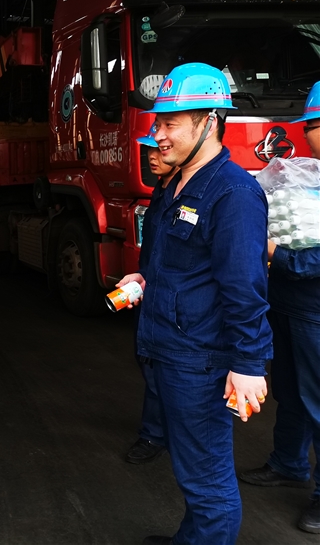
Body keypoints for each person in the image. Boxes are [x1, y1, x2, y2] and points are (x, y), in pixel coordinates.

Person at [115, 63, 273, 545]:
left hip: (200, 361)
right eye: (157, 122)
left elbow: (245, 287)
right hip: (168, 349)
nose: (158, 135)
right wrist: (144, 277)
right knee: (191, 470)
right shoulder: (175, 184)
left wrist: (248, 364)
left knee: (208, 481)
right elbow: (178, 262)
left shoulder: (233, 193)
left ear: (209, 121)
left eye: (170, 123)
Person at [238, 81, 320, 534]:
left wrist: (277, 254)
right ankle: (288, 462)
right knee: (289, 391)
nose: (308, 135)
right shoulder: (307, 177)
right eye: (308, 126)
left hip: (315, 307)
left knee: (318, 399)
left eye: (313, 125)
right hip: (287, 301)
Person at [124, 125, 177, 465]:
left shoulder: (186, 194)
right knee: (148, 361)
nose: (151, 157)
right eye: (148, 150)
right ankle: (159, 432)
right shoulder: (160, 191)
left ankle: (156, 435)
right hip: (151, 291)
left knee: (162, 368)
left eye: (158, 150)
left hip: (172, 300)